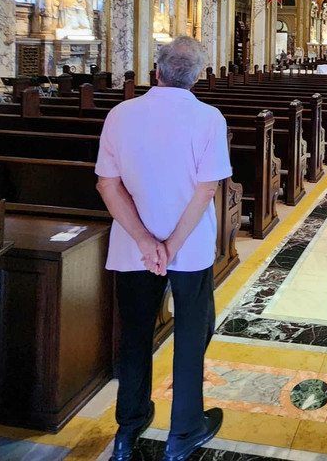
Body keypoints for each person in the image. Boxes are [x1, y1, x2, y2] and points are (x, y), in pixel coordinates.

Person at [95, 36, 231, 461]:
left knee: (135, 336)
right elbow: (207, 188)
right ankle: (184, 430)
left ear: (157, 72)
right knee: (192, 333)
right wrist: (170, 245)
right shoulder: (208, 117)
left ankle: (127, 431)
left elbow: (107, 184)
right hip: (187, 249)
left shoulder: (120, 114)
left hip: (132, 247)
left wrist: (144, 241)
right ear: (197, 77)